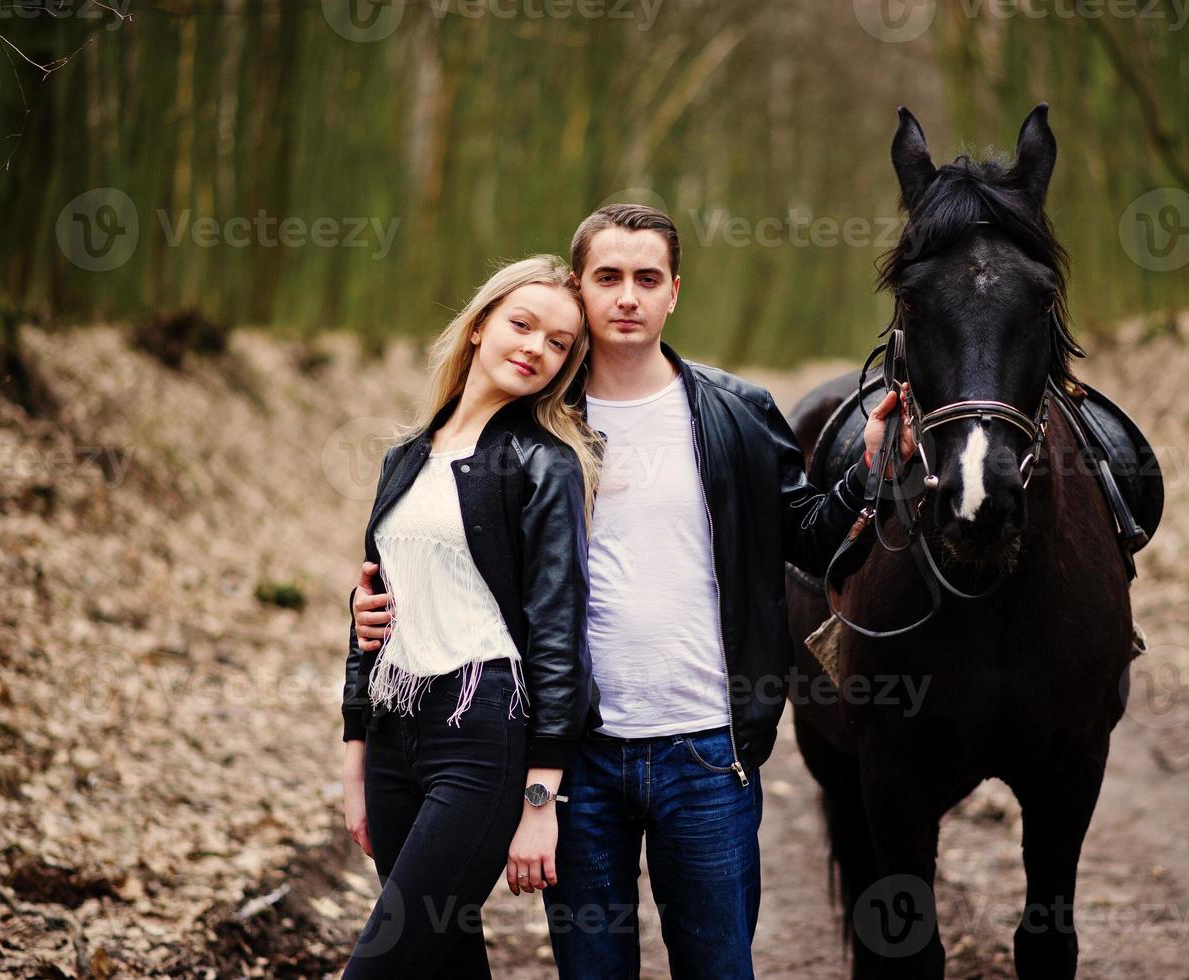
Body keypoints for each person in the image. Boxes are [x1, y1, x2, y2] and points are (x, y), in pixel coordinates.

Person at [352, 207, 911, 978]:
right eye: (607, 278)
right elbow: (449, 554)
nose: (627, 297)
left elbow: (809, 541)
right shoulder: (526, 424)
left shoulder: (736, 413)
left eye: (646, 278)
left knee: (717, 968)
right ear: (577, 289)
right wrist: (378, 604)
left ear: (673, 292)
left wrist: (867, 473)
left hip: (708, 754)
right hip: (576, 762)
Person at [339, 255, 604, 978]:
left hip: (481, 735)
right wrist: (354, 755)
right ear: (481, 323)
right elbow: (375, 602)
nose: (535, 349)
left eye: (557, 344)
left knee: (383, 964)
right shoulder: (406, 455)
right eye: (522, 325)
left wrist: (541, 796)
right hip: (395, 732)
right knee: (444, 964)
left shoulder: (543, 464)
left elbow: (558, 631)